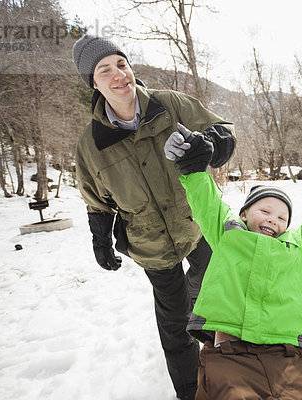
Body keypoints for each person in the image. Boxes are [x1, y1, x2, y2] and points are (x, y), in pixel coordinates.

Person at [71, 34, 236, 400]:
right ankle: (190, 391)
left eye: (122, 64)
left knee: (215, 286)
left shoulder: (170, 105)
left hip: (197, 224)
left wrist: (209, 147)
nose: (119, 75)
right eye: (105, 70)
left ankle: (231, 363)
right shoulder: (90, 144)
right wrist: (100, 238)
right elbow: (96, 200)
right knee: (175, 324)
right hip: (151, 246)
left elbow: (223, 131)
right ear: (93, 83)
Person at [163, 123, 302, 399]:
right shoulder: (228, 232)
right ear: (245, 214)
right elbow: (206, 200)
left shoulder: (296, 245)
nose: (274, 219)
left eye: (282, 217)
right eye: (265, 210)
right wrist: (192, 169)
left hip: (288, 356)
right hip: (229, 351)